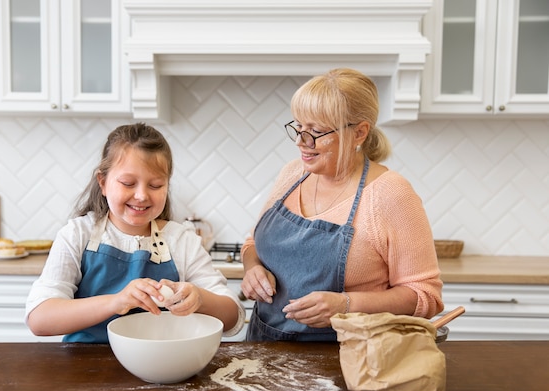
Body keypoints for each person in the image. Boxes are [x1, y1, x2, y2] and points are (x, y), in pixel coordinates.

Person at [240, 68, 444, 342]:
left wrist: (347, 305)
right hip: (263, 349)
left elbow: (425, 296)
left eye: (316, 131)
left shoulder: (390, 194)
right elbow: (252, 243)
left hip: (349, 360)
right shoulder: (293, 174)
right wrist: (252, 267)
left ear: (359, 132)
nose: (301, 141)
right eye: (298, 126)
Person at [26, 123, 245, 343]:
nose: (141, 195)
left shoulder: (181, 240)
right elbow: (39, 318)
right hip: (84, 368)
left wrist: (200, 299)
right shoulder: (78, 234)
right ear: (102, 182)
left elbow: (234, 316)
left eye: (156, 185)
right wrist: (116, 302)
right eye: (128, 183)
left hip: (161, 367)